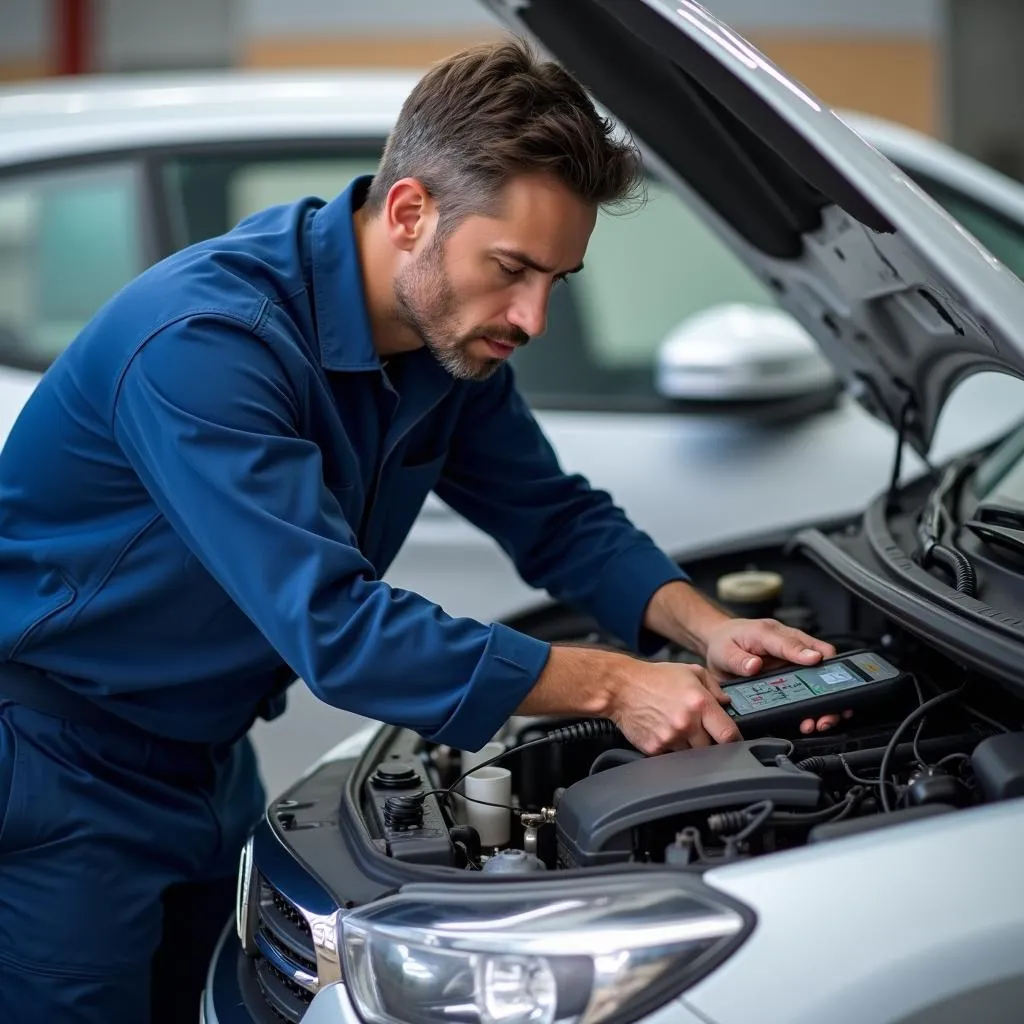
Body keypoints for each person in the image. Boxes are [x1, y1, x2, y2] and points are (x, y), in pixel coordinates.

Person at [0, 39, 843, 1023]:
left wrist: (703, 629)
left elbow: (557, 516)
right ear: (409, 212)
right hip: (58, 765)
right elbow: (341, 633)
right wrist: (614, 682)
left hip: (207, 758)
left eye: (556, 281)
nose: (529, 316)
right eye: (511, 268)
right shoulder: (208, 348)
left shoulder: (448, 346)